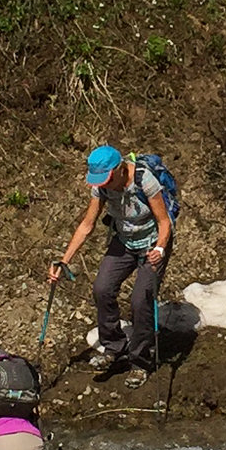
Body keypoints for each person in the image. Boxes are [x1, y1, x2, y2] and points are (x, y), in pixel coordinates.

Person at [52, 144, 174, 382]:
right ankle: (114, 347)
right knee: (102, 288)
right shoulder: (102, 189)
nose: (103, 184)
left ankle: (140, 361)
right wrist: (63, 261)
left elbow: (164, 222)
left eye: (107, 178)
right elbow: (87, 225)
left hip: (152, 243)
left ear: (119, 169)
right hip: (124, 241)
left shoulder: (144, 180)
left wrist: (159, 248)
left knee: (141, 299)